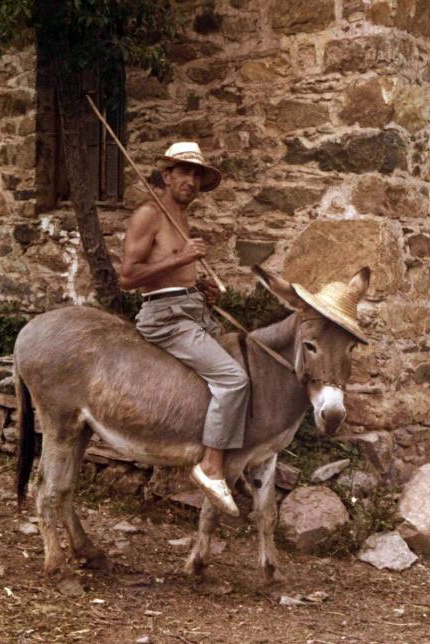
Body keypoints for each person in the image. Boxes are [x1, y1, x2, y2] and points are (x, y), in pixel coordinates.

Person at [119, 142, 249, 517]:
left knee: (244, 363)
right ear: (167, 175)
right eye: (184, 172)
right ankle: (210, 467)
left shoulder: (179, 214)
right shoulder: (149, 214)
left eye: (196, 175)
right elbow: (128, 277)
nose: (191, 181)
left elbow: (172, 275)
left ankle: (227, 455)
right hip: (165, 318)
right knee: (233, 380)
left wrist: (199, 287)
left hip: (190, 309)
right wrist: (183, 257)